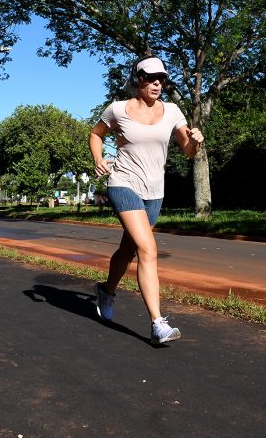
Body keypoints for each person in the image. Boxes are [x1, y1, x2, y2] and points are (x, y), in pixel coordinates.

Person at [89, 56, 204, 344]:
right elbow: (95, 134)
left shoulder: (173, 111)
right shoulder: (118, 109)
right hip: (123, 183)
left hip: (155, 191)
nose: (157, 83)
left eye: (162, 79)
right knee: (148, 248)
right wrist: (98, 158)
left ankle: (107, 290)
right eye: (151, 78)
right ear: (138, 78)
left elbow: (188, 151)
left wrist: (196, 141)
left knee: (129, 249)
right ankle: (157, 324)